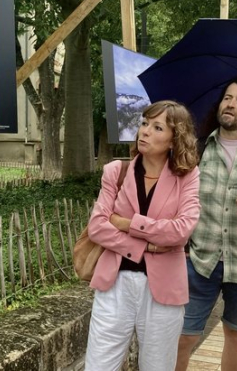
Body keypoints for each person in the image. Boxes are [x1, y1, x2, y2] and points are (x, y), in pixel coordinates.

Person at [85, 100, 201, 371]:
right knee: (98, 366)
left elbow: (181, 230)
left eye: (157, 127)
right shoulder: (116, 171)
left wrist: (128, 223)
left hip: (163, 290)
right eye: (145, 123)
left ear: (174, 140)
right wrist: (146, 245)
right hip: (114, 284)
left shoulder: (188, 176)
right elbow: (98, 226)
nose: (145, 131)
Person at [175, 77, 237, 371]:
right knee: (183, 337)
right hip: (200, 260)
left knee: (236, 334)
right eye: (228, 97)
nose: (230, 103)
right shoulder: (197, 149)